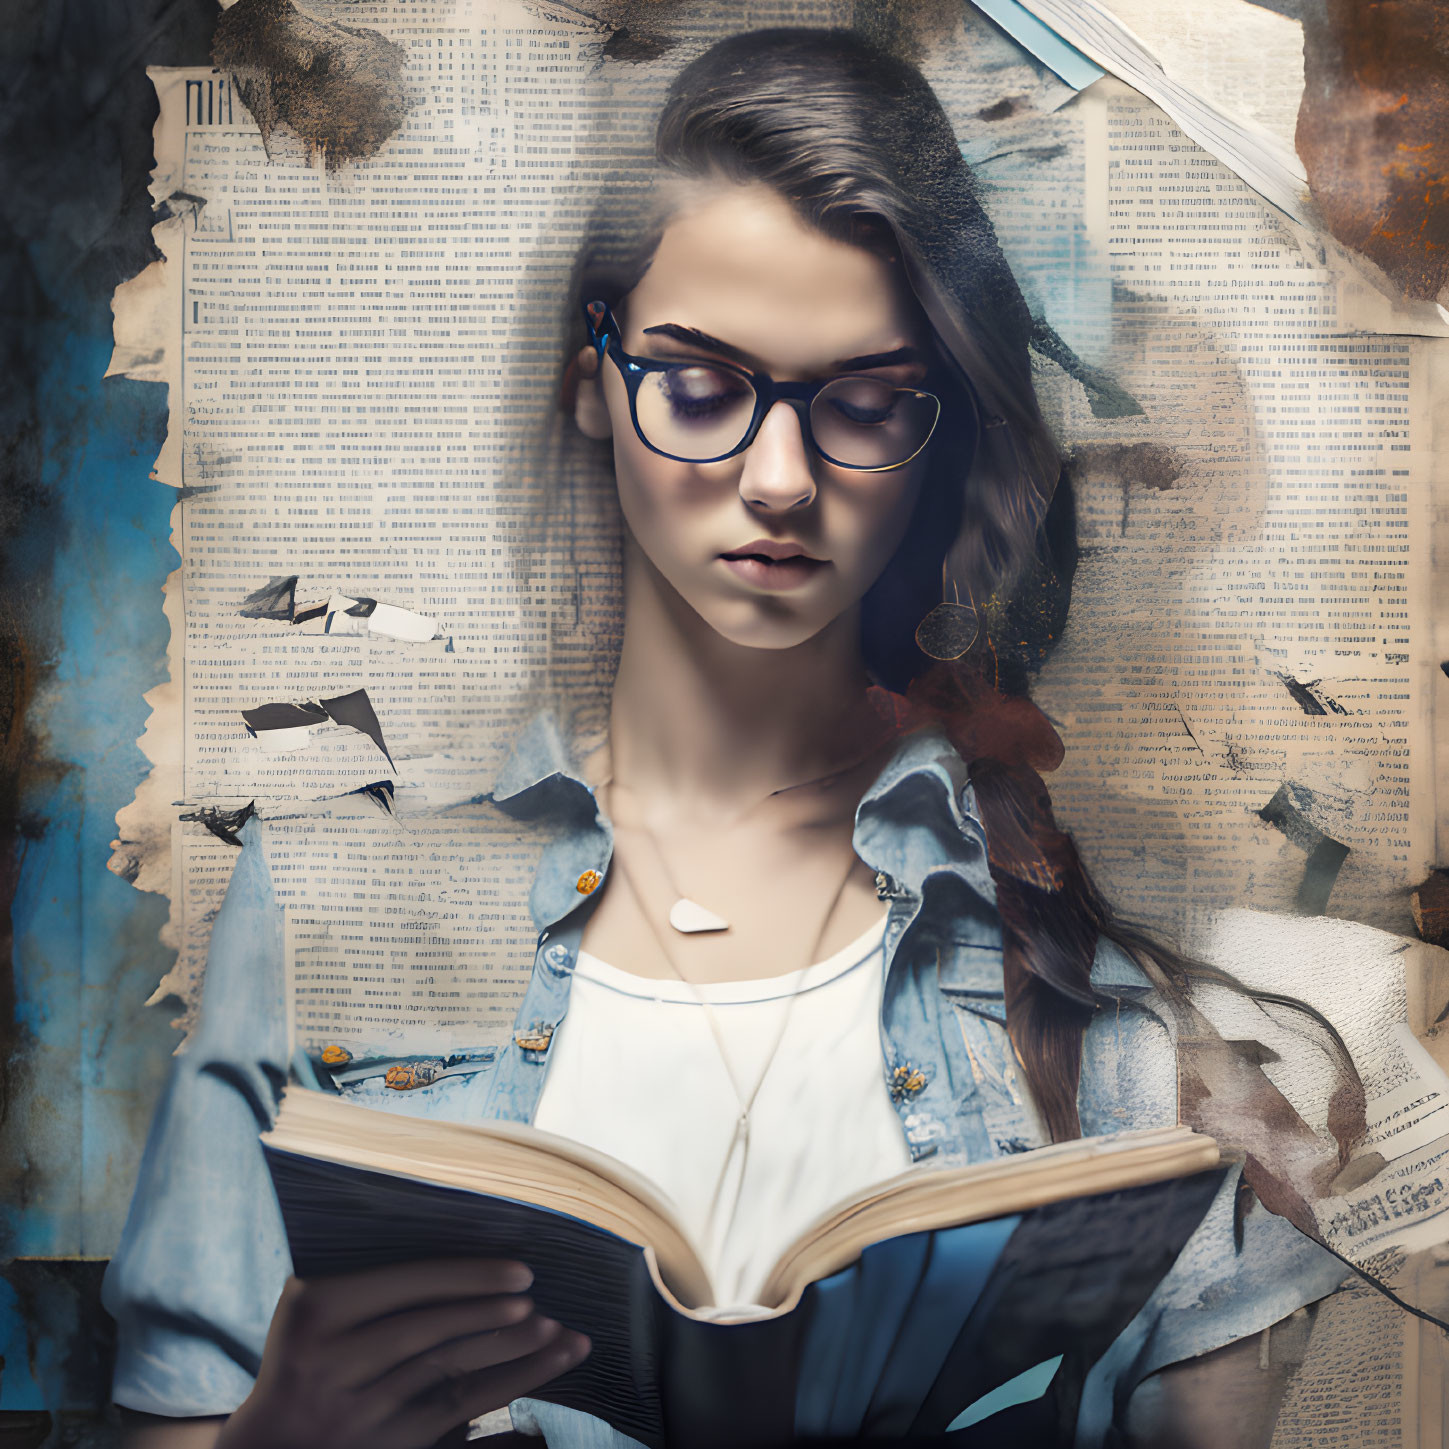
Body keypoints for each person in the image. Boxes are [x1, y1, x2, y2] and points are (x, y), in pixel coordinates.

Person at [106, 27, 1361, 1449]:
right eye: (700, 387)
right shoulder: (332, 904)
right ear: (592, 377)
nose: (777, 479)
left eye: (861, 403)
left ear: (934, 425)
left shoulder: (1126, 1039)